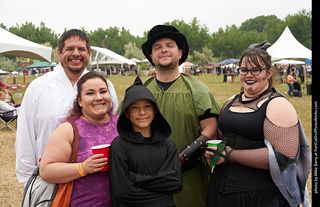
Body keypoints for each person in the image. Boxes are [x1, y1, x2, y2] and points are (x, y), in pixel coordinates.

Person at [205, 41, 311, 207]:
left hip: (260, 198)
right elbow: (222, 139)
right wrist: (215, 154)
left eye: (256, 70)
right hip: (219, 192)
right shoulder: (230, 102)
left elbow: (283, 158)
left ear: (268, 73)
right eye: (244, 70)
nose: (249, 75)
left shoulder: (277, 105)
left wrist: (230, 154)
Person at [15, 29, 118, 184]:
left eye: (81, 49)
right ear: (59, 53)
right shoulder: (38, 87)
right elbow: (25, 135)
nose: (76, 54)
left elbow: (112, 128)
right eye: (70, 49)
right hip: (48, 178)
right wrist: (28, 180)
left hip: (96, 179)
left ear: (89, 53)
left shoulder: (104, 86)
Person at [141, 25, 220, 207]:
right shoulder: (140, 90)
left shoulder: (198, 90)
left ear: (180, 52)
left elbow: (212, 130)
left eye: (169, 45)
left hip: (189, 182)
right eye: (157, 47)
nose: (164, 50)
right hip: (147, 183)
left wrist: (181, 159)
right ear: (151, 56)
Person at [40, 71, 118, 206]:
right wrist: (83, 168)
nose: (98, 97)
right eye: (90, 93)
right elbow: (46, 171)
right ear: (80, 101)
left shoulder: (123, 124)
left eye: (103, 91)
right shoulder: (69, 130)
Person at [110, 76, 182, 207]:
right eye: (135, 108)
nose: (142, 112)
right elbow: (122, 192)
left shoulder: (167, 144)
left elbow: (174, 183)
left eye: (147, 106)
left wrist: (134, 178)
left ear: (155, 110)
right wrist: (162, 198)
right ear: (126, 113)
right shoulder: (119, 146)